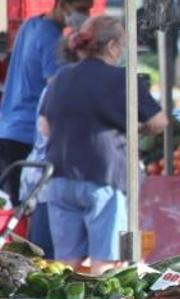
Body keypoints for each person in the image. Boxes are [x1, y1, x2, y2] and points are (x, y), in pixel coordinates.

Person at [42, 16, 167, 273]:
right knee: (105, 262)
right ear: (112, 46)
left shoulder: (61, 77)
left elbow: (44, 126)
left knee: (65, 265)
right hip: (103, 177)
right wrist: (135, 128)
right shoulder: (121, 79)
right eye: (122, 44)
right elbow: (159, 121)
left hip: (59, 178)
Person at [0, 0, 98, 202]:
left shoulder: (30, 25)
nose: (86, 16)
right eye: (82, 9)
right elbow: (59, 90)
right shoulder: (51, 40)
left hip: (7, 129)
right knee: (22, 212)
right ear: (62, 3)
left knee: (11, 212)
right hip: (26, 136)